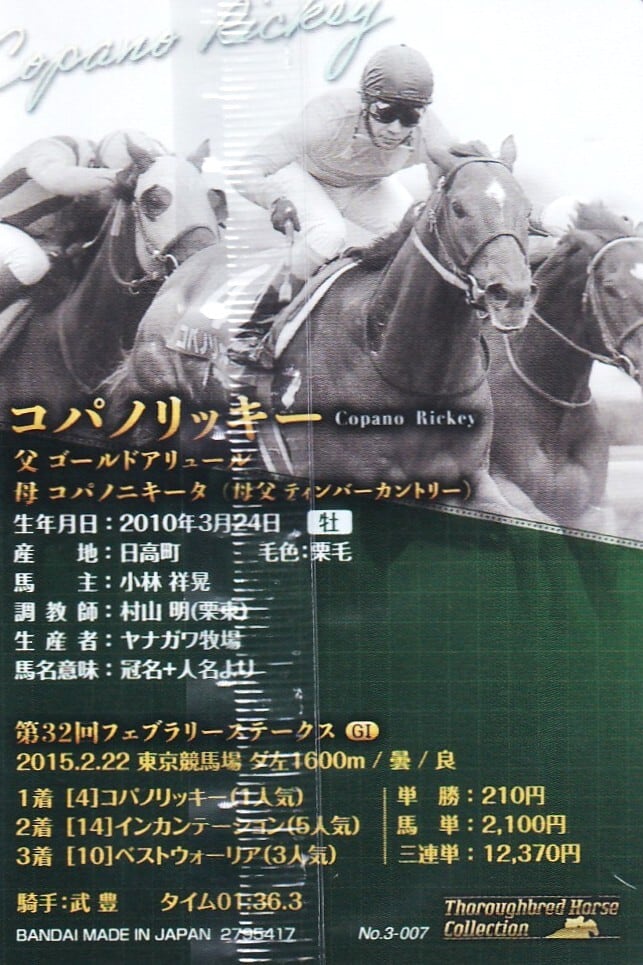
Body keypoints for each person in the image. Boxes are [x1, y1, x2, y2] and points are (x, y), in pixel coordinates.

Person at [230, 44, 456, 363]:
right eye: (385, 112)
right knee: (328, 234)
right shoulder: (328, 117)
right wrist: (273, 199)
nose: (395, 128)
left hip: (364, 185)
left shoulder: (430, 134)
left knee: (416, 234)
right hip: (305, 176)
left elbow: (460, 177)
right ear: (364, 103)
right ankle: (254, 330)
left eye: (410, 116)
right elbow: (244, 168)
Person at [0, 135, 124, 313]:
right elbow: (57, 180)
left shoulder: (92, 187)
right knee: (30, 262)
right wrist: (115, 177)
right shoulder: (54, 148)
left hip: (33, 240)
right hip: (5, 224)